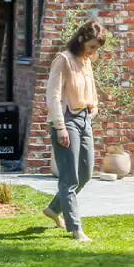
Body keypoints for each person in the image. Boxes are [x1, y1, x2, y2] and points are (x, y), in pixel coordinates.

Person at [43, 19, 105, 241]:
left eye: (96, 48)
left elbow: (92, 89)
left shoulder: (86, 61)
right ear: (81, 39)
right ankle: (75, 229)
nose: (93, 52)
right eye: (92, 47)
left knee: (85, 174)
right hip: (66, 120)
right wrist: (60, 127)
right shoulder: (63, 61)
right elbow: (53, 96)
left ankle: (53, 209)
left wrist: (94, 108)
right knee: (69, 178)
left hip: (84, 119)